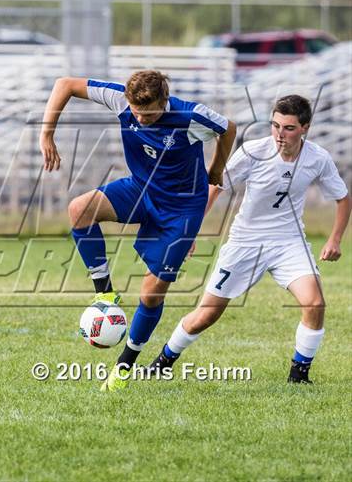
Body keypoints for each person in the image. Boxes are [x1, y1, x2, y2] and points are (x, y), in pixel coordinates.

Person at [39, 70, 236, 391]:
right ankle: (105, 292)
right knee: (79, 209)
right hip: (141, 190)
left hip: (181, 210)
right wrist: (47, 134)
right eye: (135, 111)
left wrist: (216, 167)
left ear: (164, 101)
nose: (140, 118)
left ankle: (124, 366)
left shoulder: (190, 116)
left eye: (148, 113)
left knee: (151, 292)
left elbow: (228, 128)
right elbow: (65, 84)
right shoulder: (121, 99)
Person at [149, 94, 351, 384]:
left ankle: (299, 376)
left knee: (315, 304)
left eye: (289, 128)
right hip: (246, 241)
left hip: (289, 241)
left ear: (305, 128)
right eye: (275, 126)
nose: (280, 134)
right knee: (206, 315)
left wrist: (334, 240)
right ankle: (163, 362)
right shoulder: (253, 152)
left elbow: (343, 198)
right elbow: (214, 187)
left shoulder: (318, 158)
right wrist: (189, 232)